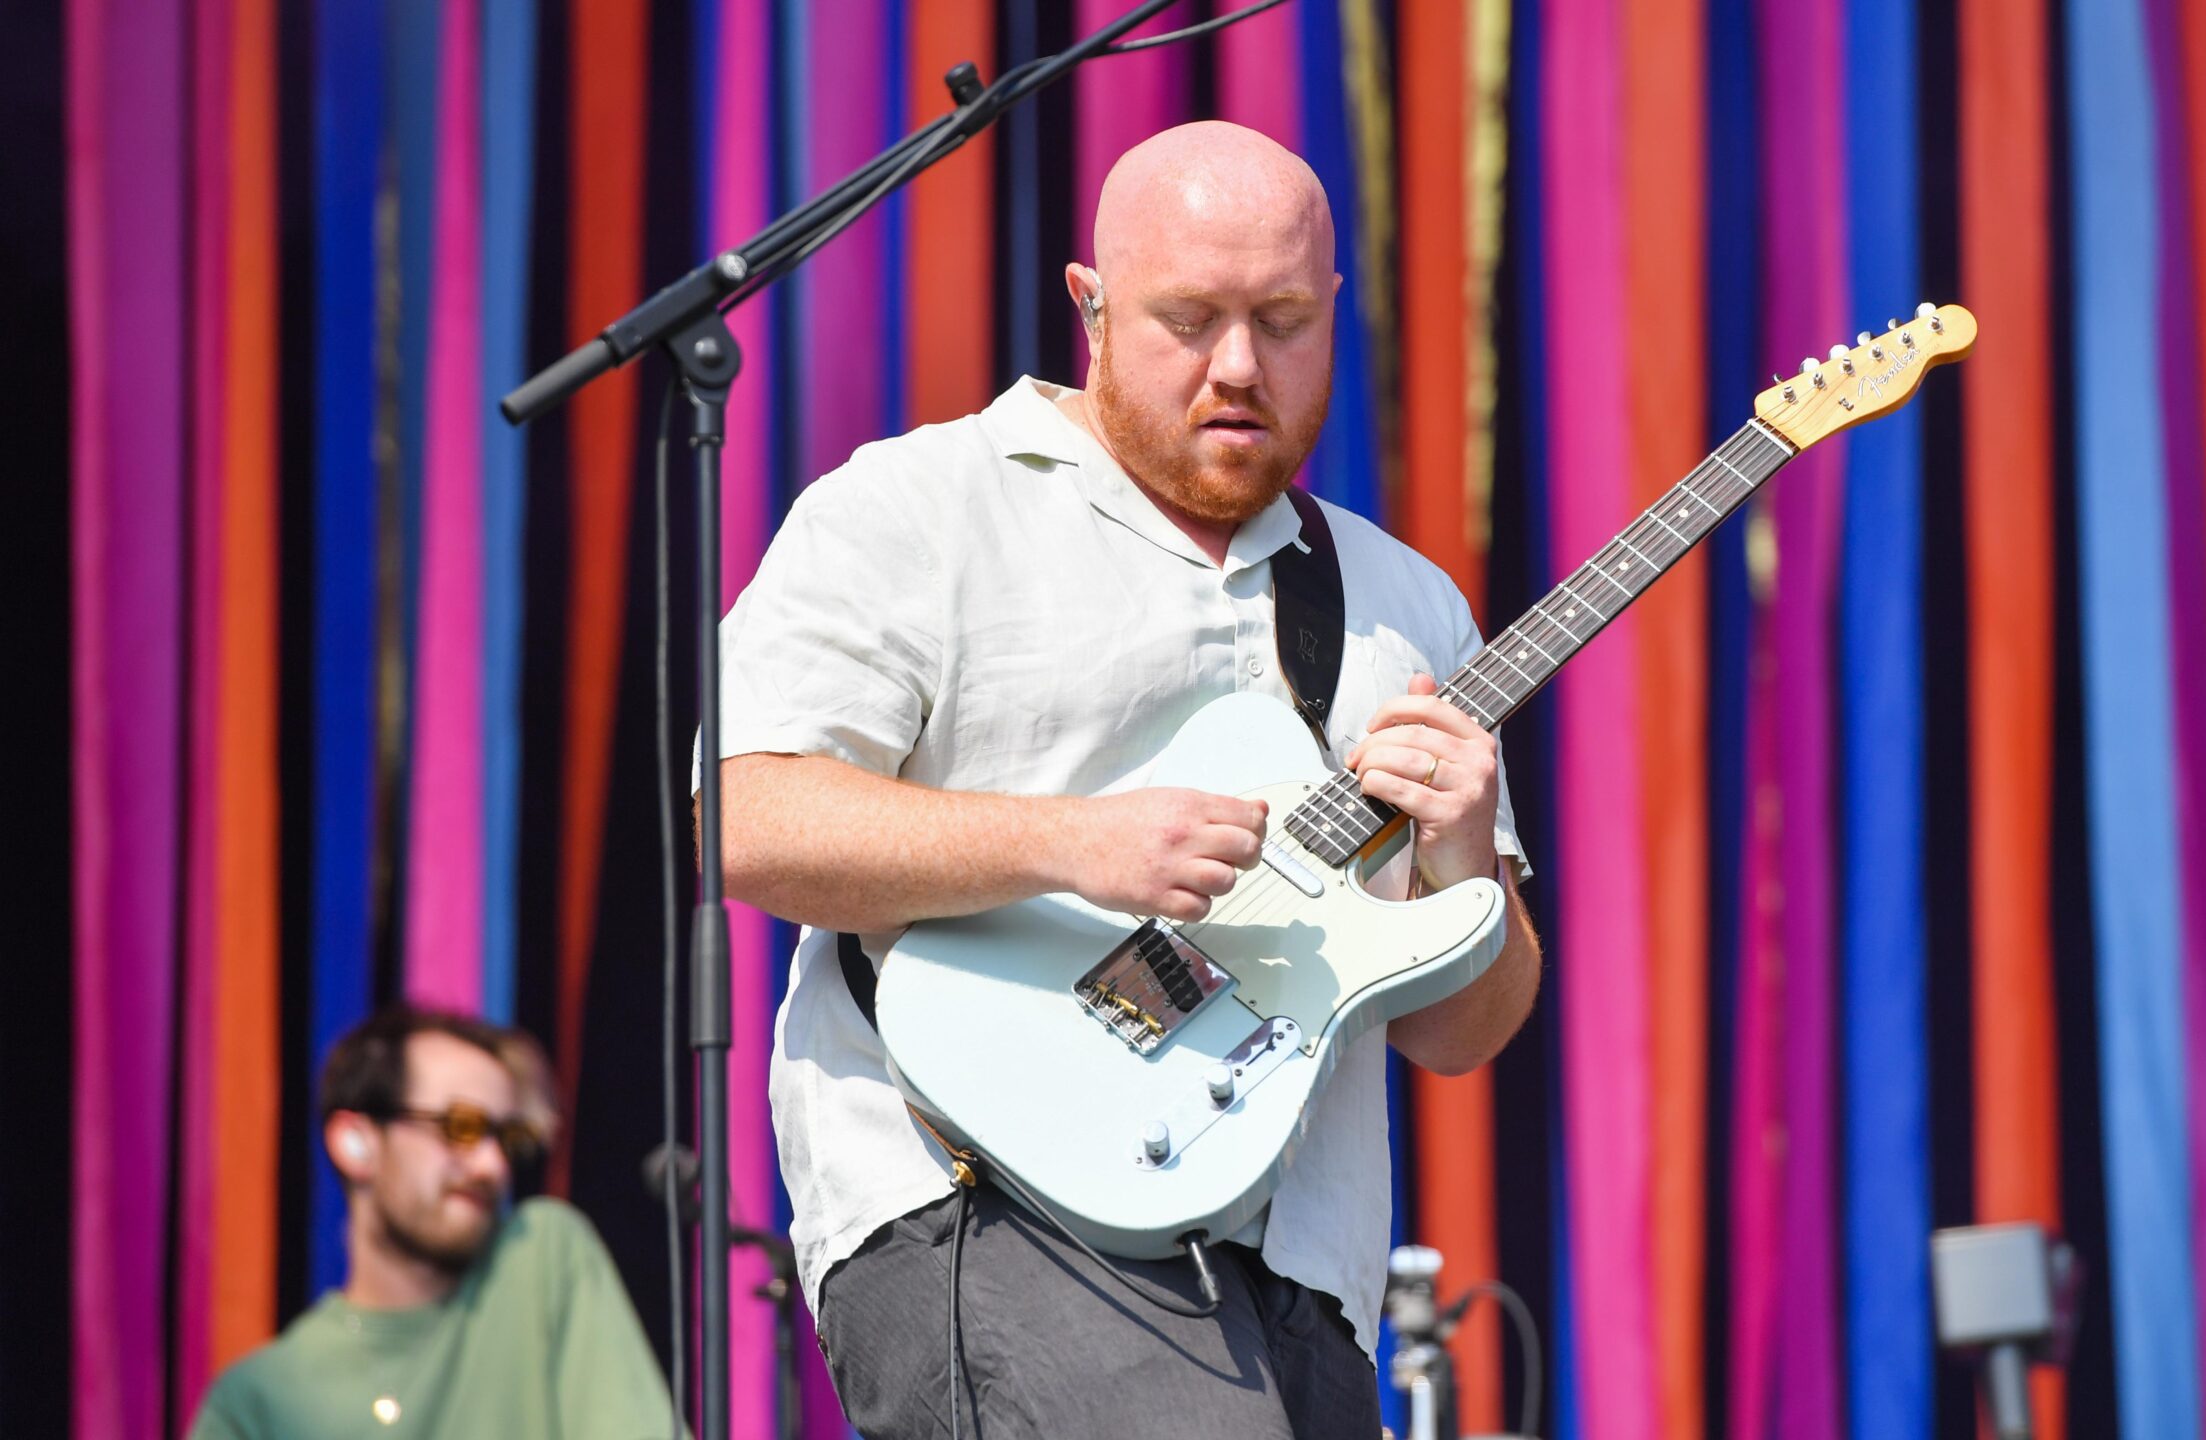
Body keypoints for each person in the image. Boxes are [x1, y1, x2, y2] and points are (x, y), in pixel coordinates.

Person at [713, 120, 1543, 1439]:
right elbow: (744, 818)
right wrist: (1071, 844)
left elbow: (1465, 1034)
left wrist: (1461, 856)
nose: (1239, 365)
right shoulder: (921, 507)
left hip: (1302, 1267)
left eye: (1283, 321)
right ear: (1090, 306)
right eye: (1189, 320)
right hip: (984, 1190)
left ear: (1335, 310)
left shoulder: (1406, 603)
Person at [188, 1008, 678, 1439]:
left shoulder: (540, 1255)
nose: (492, 1165)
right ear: (356, 1143)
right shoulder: (255, 1404)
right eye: (460, 1127)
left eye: (504, 1138)